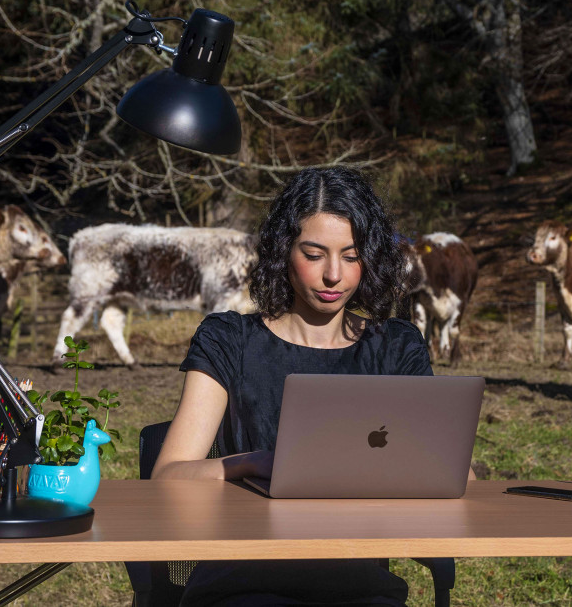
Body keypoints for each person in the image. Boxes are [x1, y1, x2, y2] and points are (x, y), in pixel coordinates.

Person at [153, 166, 433, 607]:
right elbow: (168, 477)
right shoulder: (229, 340)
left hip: (357, 581)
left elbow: (456, 476)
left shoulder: (397, 346)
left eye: (352, 255)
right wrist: (254, 462)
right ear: (283, 251)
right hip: (242, 579)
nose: (334, 275)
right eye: (314, 253)